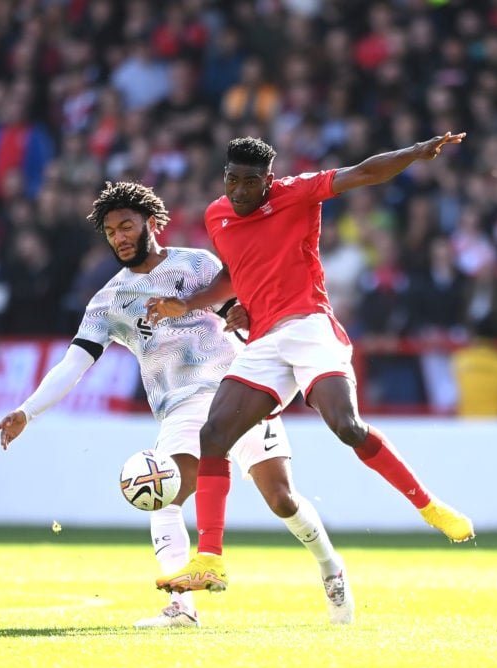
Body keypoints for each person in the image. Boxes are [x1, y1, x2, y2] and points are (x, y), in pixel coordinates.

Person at [0, 182, 353, 627]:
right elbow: (74, 363)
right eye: (111, 231)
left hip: (238, 389)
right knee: (161, 493)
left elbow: (251, 312)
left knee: (280, 499)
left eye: (127, 226)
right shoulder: (109, 300)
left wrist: (244, 317)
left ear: (152, 223)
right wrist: (28, 410)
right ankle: (182, 608)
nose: (120, 237)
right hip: (179, 407)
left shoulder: (198, 264)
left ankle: (329, 565)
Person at [147, 134, 474, 594]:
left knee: (347, 426)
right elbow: (233, 275)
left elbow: (363, 171)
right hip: (263, 341)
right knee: (213, 434)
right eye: (233, 180)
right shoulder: (217, 215)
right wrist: (189, 304)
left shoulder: (298, 193)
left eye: (250, 182)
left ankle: (428, 505)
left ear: (269, 181)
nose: (240, 191)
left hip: (309, 326)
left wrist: (415, 152)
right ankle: (210, 561)